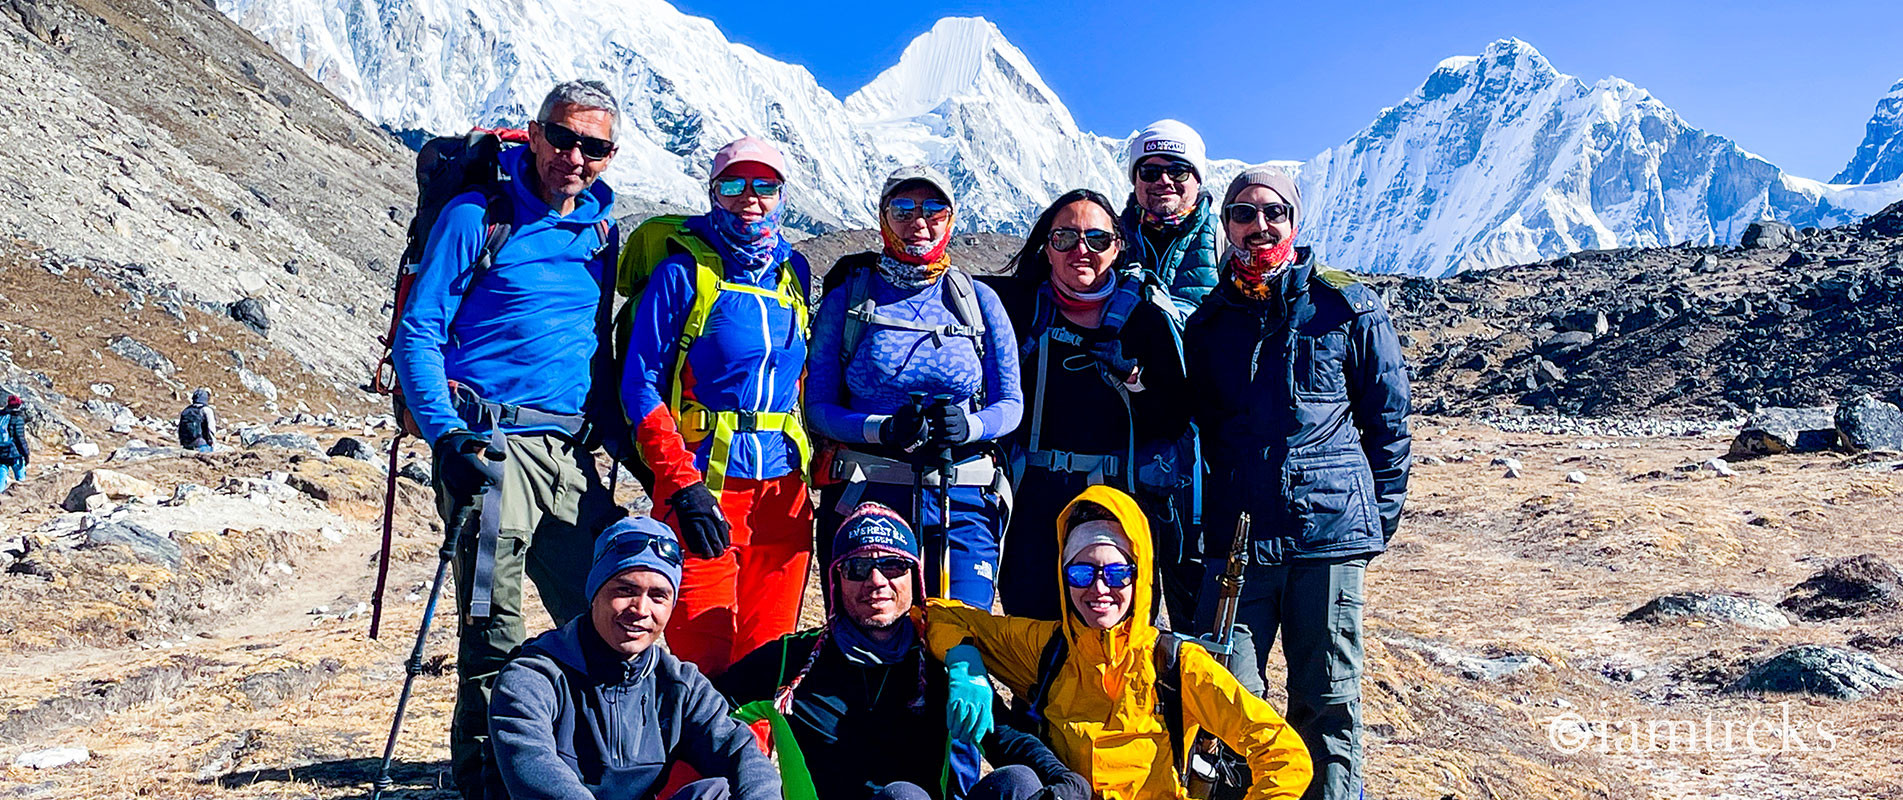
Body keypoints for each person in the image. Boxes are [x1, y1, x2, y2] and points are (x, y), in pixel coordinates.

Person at [390, 79, 626, 796]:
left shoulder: (602, 233)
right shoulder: (477, 216)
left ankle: (585, 765)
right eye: (563, 137)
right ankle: (490, 782)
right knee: (495, 633)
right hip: (489, 446)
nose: (574, 157)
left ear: (610, 156)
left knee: (606, 611)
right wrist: (446, 439)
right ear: (535, 132)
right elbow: (420, 332)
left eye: (593, 147)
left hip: (569, 454)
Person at [1183, 168, 1411, 800]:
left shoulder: (1347, 307)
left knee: (1327, 701)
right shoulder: (1208, 325)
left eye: (1273, 212)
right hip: (1238, 544)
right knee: (1226, 700)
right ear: (1225, 226)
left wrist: (1372, 522)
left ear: (1294, 220)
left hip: (1327, 541)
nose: (1259, 226)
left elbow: (1387, 422)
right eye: (1243, 214)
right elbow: (1201, 429)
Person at [922, 485, 1313, 800]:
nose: (1099, 588)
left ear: (1139, 576)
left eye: (1116, 573)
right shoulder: (1046, 649)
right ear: (1062, 576)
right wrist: (964, 662)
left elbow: (1285, 754)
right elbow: (937, 614)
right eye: (1081, 573)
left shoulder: (1176, 666)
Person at [718, 503, 1088, 800]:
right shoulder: (793, 661)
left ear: (915, 577)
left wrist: (1064, 778)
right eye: (858, 567)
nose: (876, 581)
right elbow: (705, 706)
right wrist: (751, 779)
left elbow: (1005, 737)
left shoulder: (941, 659)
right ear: (836, 580)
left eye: (893, 566)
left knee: (1019, 781)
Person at [621, 135, 814, 676]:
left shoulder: (793, 273)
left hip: (783, 496)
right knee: (702, 660)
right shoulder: (682, 273)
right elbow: (640, 386)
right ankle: (698, 741)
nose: (749, 198)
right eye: (733, 184)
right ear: (712, 191)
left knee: (769, 662)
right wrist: (680, 484)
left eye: (765, 186)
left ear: (782, 196)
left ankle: (756, 738)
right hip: (703, 488)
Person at [807, 165, 1022, 610]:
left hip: (962, 499)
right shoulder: (847, 300)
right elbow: (818, 408)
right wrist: (881, 429)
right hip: (866, 496)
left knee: (962, 637)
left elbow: (1011, 402)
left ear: (951, 218)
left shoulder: (978, 301)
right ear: (883, 217)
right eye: (903, 209)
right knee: (873, 635)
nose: (918, 222)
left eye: (933, 209)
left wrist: (969, 426)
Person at [989, 190, 1192, 623]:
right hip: (1032, 508)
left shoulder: (1145, 321)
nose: (1080, 250)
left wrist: (1134, 379)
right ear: (1046, 247)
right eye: (1064, 238)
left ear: (1117, 247)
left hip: (1117, 505)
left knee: (1112, 630)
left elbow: (1174, 417)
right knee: (1035, 633)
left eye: (1096, 239)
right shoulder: (1016, 309)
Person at [487, 515, 780, 800]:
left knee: (718, 792)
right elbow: (533, 766)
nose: (640, 609)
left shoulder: (679, 685)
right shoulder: (533, 677)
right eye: (625, 590)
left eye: (658, 596)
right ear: (594, 593)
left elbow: (740, 751)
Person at [1119, 120, 1222, 320]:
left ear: (1197, 180)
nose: (1164, 180)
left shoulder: (1225, 242)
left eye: (1178, 171)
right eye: (1150, 172)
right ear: (1135, 180)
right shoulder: (1104, 240)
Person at [0, 395, 27, 493]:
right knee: (20, 478)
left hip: (1, 452)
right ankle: (22, 495)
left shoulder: (1, 416)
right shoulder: (17, 419)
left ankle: (1, 496)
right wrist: (26, 454)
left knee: (1, 476)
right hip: (15, 453)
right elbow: (20, 439)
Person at [177, 388, 218, 452]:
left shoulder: (186, 410)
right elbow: (211, 429)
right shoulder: (207, 410)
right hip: (201, 444)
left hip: (186, 445)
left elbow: (180, 429)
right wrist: (213, 444)